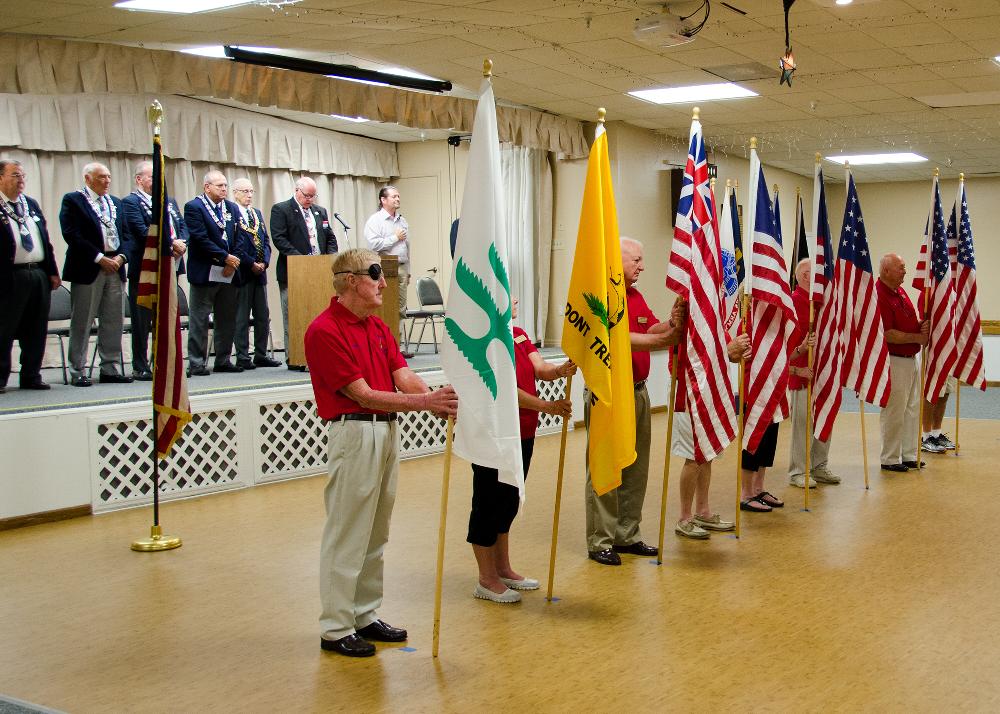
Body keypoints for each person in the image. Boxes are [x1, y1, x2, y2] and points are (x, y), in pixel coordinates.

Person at [305, 248, 458, 658]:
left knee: (377, 529)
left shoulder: (377, 328)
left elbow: (402, 375)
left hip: (386, 432)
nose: (384, 283)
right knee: (348, 532)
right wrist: (428, 405)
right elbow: (363, 395)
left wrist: (436, 397)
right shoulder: (324, 330)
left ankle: (364, 614)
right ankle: (336, 626)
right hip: (354, 432)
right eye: (375, 274)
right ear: (350, 279)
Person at [586, 237, 685, 566]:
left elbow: (648, 327)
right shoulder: (600, 295)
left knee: (636, 467)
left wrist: (669, 323)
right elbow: (618, 339)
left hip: (638, 391)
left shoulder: (635, 296)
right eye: (636, 260)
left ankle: (626, 534)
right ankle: (601, 540)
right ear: (618, 260)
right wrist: (663, 338)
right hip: (610, 394)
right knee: (607, 466)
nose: (642, 266)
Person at [469, 298, 576, 602]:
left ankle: (503, 568)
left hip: (523, 431)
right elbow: (503, 390)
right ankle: (485, 579)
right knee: (488, 502)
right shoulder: (487, 341)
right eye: (508, 295)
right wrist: (548, 406)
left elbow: (539, 368)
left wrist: (560, 370)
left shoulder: (518, 333)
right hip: (495, 434)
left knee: (509, 501)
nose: (515, 300)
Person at [59, 162, 131, 387]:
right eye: (102, 177)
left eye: (109, 177)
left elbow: (128, 236)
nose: (107, 181)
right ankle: (77, 369)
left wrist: (121, 257)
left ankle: (110, 367)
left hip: (115, 266)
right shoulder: (74, 200)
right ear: (88, 178)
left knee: (113, 320)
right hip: (89, 267)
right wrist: (100, 258)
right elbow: (72, 234)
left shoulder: (116, 203)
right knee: (83, 320)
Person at [673, 334, 750, 539]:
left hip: (711, 395)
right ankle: (684, 518)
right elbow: (690, 361)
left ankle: (702, 511)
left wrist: (737, 352)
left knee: (707, 456)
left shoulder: (714, 318)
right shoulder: (689, 318)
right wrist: (727, 351)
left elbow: (728, 355)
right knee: (693, 458)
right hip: (691, 396)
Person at [120, 160, 188, 381]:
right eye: (151, 176)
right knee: (142, 321)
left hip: (170, 267)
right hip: (145, 269)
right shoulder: (130, 202)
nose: (157, 181)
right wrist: (170, 244)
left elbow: (182, 226)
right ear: (139, 179)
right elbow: (141, 231)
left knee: (167, 318)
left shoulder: (169, 201)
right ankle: (140, 365)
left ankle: (164, 363)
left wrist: (182, 242)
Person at [0, 159, 60, 393]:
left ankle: (31, 375)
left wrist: (52, 271)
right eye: (15, 175)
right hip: (8, 276)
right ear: (1, 178)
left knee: (36, 327)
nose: (21, 180)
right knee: (4, 327)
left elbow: (45, 240)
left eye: (23, 175)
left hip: (36, 273)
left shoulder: (30, 204)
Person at [270, 176, 338, 370]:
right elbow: (279, 239)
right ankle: (295, 357)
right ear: (297, 191)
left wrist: (331, 257)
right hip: (293, 272)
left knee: (318, 314)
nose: (309, 199)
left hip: (319, 272)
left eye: (313, 196)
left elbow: (330, 237)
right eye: (307, 195)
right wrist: (302, 261)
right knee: (293, 315)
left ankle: (318, 355)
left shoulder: (320, 211)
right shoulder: (281, 209)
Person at [183, 171, 247, 377]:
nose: (224, 189)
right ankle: (196, 362)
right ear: (207, 187)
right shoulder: (194, 207)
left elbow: (240, 237)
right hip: (205, 271)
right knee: (199, 319)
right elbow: (200, 239)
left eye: (226, 185)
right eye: (219, 185)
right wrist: (224, 258)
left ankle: (223, 359)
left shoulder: (231, 207)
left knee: (227, 318)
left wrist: (233, 261)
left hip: (229, 272)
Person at [787, 258, 837, 489]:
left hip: (823, 371)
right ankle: (798, 470)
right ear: (805, 276)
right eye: (817, 272)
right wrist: (797, 367)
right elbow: (788, 342)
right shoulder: (795, 302)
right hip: (802, 373)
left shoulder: (820, 302)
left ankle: (819, 464)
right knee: (802, 424)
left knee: (824, 417)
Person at [876, 253, 928, 472]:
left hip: (910, 358)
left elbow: (906, 322)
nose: (905, 271)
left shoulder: (900, 291)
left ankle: (908, 454)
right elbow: (887, 333)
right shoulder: (880, 294)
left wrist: (919, 326)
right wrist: (918, 337)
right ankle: (889, 458)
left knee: (912, 408)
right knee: (895, 410)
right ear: (886, 271)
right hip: (894, 360)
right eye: (901, 267)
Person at [231, 178, 280, 370]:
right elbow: (236, 243)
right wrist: (251, 263)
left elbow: (265, 240)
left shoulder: (256, 213)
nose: (249, 195)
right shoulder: (232, 213)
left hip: (260, 272)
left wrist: (265, 262)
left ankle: (261, 354)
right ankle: (243, 356)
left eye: (251, 191)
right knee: (241, 316)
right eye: (245, 191)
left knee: (262, 315)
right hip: (243, 271)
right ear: (235, 193)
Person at [364, 186, 409, 321]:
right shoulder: (375, 220)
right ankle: (386, 340)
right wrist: (394, 238)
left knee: (401, 309)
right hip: (385, 268)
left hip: (402, 267)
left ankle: (398, 341)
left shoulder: (402, 220)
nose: (397, 199)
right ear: (383, 199)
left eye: (398, 196)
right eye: (394, 196)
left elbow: (407, 247)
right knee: (387, 308)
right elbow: (373, 244)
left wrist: (409, 270)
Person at [921, 378, 957, 453]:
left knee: (945, 393)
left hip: (948, 366)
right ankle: (926, 438)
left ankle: (936, 434)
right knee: (930, 393)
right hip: (934, 366)